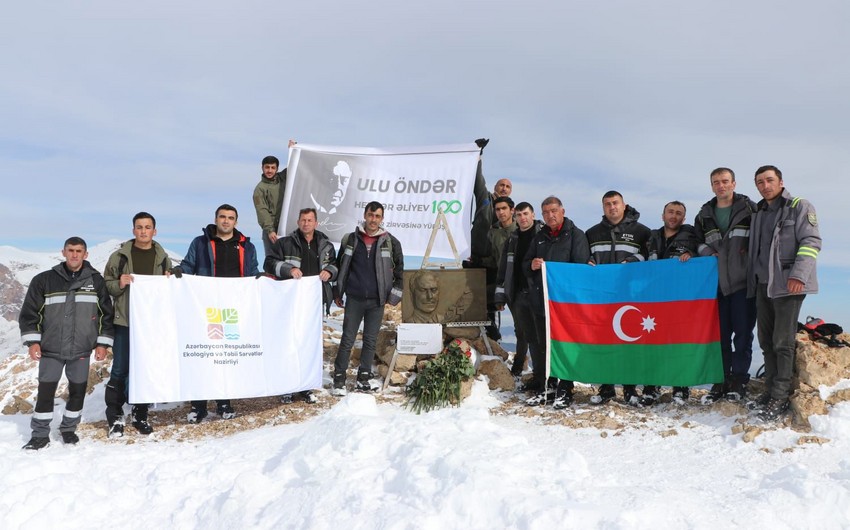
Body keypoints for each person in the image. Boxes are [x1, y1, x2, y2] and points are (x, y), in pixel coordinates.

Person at [19, 237, 114, 450]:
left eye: (79, 251)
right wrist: (32, 342)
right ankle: (40, 434)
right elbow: (30, 314)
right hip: (51, 348)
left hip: (81, 349)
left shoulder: (96, 281)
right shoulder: (44, 280)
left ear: (85, 254)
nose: (74, 254)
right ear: (63, 252)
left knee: (78, 391)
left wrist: (102, 344)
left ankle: (69, 429)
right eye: (71, 250)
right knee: (46, 392)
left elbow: (106, 315)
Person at [747, 165, 821, 421]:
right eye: (760, 182)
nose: (765, 185)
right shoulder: (759, 213)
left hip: (788, 285)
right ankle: (769, 389)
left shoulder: (799, 206)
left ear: (780, 182)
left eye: (769, 180)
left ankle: (780, 396)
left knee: (782, 341)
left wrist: (798, 275)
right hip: (762, 285)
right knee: (766, 341)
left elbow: (811, 242)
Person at [175, 204, 260, 422]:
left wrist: (262, 281)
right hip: (205, 307)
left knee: (226, 355)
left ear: (236, 222)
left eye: (230, 218)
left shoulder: (247, 246)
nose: (226, 221)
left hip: (233, 308)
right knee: (203, 354)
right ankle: (198, 405)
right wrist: (179, 272)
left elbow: (252, 273)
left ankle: (224, 402)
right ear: (215, 219)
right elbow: (188, 265)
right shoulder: (200, 242)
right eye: (222, 217)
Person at [103, 212, 172, 437]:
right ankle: (115, 415)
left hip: (150, 324)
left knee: (144, 367)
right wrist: (119, 283)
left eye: (147, 227)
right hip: (125, 321)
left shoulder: (163, 258)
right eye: (139, 227)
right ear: (133, 230)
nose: (143, 231)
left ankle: (140, 414)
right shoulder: (119, 257)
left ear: (154, 231)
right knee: (120, 368)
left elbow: (168, 290)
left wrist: (169, 280)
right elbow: (106, 285)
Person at [694, 168, 758, 403]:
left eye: (724, 181)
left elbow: (761, 239)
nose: (720, 186)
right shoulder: (704, 215)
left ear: (734, 183)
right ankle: (720, 380)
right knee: (719, 337)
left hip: (743, 284)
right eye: (716, 182)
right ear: (711, 186)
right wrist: (707, 252)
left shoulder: (750, 209)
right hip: (716, 286)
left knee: (742, 336)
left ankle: (739, 381)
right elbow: (696, 242)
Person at [265, 207, 338, 404]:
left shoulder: (326, 245)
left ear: (316, 223)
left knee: (309, 344)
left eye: (310, 220)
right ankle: (287, 386)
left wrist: (330, 272)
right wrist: (288, 269)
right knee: (289, 342)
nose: (306, 223)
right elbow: (269, 263)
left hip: (315, 303)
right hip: (290, 302)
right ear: (298, 222)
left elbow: (335, 265)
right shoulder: (284, 243)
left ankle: (306, 386)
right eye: (303, 220)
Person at [523, 196, 590, 409]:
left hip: (565, 304)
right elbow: (525, 264)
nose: (550, 215)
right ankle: (548, 387)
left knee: (564, 345)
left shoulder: (576, 235)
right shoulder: (539, 237)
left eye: (553, 211)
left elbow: (580, 268)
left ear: (562, 211)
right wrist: (532, 265)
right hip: (542, 301)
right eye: (545, 212)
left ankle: (565, 388)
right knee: (545, 346)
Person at [586, 191, 652, 406]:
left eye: (615, 203)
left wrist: (633, 260)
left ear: (624, 205)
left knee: (628, 343)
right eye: (607, 204)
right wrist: (588, 261)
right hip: (602, 298)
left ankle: (630, 389)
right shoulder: (592, 233)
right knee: (604, 343)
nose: (612, 207)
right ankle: (606, 388)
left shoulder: (642, 232)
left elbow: (651, 256)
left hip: (630, 298)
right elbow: (585, 257)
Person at [332, 201, 404, 396]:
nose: (373, 219)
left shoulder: (391, 242)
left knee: (370, 341)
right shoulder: (350, 239)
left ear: (382, 218)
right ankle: (339, 379)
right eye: (370, 215)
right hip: (354, 298)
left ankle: (363, 379)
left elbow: (400, 273)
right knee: (347, 339)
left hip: (377, 300)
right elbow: (341, 266)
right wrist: (337, 292)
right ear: (365, 215)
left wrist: (394, 297)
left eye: (377, 216)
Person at [641, 201, 699, 406]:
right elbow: (641, 259)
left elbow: (704, 254)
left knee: (679, 343)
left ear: (684, 218)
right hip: (654, 299)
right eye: (670, 212)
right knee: (653, 343)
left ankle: (681, 387)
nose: (674, 216)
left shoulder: (691, 237)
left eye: (678, 213)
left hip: (680, 300)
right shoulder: (652, 237)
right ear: (663, 215)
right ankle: (651, 387)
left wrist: (693, 255)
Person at [495, 201, 543, 378]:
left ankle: (543, 372)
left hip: (539, 292)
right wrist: (500, 296)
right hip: (517, 293)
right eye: (519, 215)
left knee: (540, 333)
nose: (522, 218)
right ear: (515, 217)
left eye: (526, 214)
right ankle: (518, 367)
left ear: (533, 215)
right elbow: (503, 269)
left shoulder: (542, 235)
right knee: (521, 331)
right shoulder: (512, 239)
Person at [480, 196, 517, 341]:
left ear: (512, 210)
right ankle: (494, 337)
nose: (501, 212)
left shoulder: (521, 229)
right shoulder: (493, 233)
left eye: (504, 208)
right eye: (498, 209)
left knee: (522, 324)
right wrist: (476, 260)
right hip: (501, 281)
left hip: (520, 284)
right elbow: (494, 259)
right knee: (478, 299)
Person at [253, 139, 296, 255]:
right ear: (262, 168)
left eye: (273, 168)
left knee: (290, 258)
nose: (270, 170)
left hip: (287, 227)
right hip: (271, 230)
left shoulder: (283, 178)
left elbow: (294, 166)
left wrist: (293, 150)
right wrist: (270, 230)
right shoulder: (260, 189)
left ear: (277, 168)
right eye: (267, 167)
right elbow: (262, 211)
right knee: (273, 259)